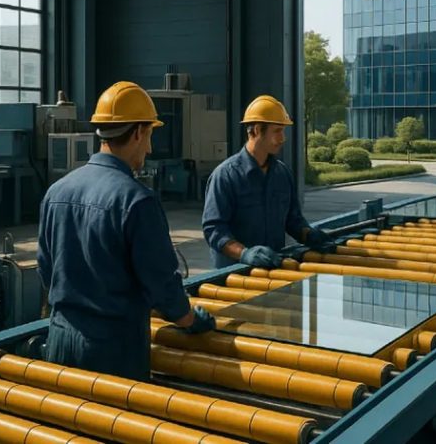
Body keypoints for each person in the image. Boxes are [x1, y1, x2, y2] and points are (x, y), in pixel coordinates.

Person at [38, 81, 214, 380]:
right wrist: (187, 319)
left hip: (59, 340)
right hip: (111, 350)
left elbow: (46, 269)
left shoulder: (56, 191)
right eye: (149, 136)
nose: (149, 148)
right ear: (137, 133)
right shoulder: (137, 201)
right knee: (113, 426)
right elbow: (160, 285)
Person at [202, 94, 336, 269]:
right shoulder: (225, 176)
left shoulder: (282, 174)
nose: (283, 138)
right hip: (234, 277)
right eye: (277, 131)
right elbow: (214, 230)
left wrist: (308, 234)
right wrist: (244, 253)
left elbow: (293, 220)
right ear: (257, 130)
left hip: (274, 272)